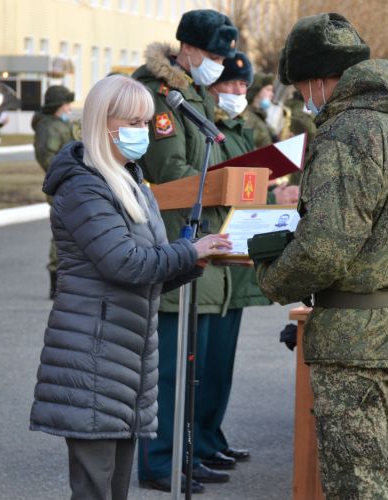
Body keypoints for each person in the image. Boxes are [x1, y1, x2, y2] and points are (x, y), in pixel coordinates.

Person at [256, 13, 388, 498]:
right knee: (383, 469)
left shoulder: (347, 134)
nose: (305, 97)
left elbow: (324, 248)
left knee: (358, 484)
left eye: (304, 85)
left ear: (323, 79)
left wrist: (272, 277)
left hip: (353, 339)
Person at [29, 74, 231, 500]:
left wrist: (192, 259)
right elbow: (123, 262)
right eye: (133, 122)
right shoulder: (85, 186)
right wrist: (188, 253)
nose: (143, 131)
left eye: (146, 120)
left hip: (126, 351)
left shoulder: (129, 179)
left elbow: (147, 265)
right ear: (104, 123)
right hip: (95, 351)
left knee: (114, 488)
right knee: (95, 489)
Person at [132, 8, 238, 492]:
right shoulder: (155, 94)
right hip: (166, 238)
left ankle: (184, 453)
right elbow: (171, 169)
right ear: (188, 48)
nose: (218, 65)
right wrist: (222, 182)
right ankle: (159, 461)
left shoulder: (191, 94)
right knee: (170, 369)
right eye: (214, 55)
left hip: (194, 238)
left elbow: (206, 157)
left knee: (191, 369)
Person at [194, 50, 268, 471]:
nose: (238, 92)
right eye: (230, 85)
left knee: (220, 366)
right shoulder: (212, 129)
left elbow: (253, 185)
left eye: (243, 86)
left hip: (235, 256)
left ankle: (212, 435)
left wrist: (277, 194)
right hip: (217, 252)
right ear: (213, 86)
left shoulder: (241, 129)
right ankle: (198, 442)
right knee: (202, 366)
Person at [32, 84, 80, 299]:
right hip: (61, 185)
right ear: (58, 107)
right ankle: (56, 280)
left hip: (69, 183)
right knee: (62, 232)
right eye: (67, 104)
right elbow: (49, 160)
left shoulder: (58, 125)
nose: (69, 108)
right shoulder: (48, 128)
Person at [244, 73, 276, 148]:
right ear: (256, 90)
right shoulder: (247, 116)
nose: (272, 94)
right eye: (268, 90)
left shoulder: (259, 117)